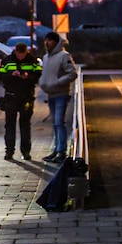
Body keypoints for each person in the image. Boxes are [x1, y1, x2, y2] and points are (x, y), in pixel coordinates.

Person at [37, 32, 78, 163]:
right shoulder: (46, 57)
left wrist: (58, 82)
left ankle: (61, 151)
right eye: (46, 40)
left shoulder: (63, 56)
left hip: (61, 94)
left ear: (56, 42)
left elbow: (72, 73)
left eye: (50, 40)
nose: (47, 43)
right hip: (51, 94)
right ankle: (57, 149)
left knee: (59, 122)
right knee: (55, 123)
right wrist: (43, 82)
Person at [0, 43, 41, 160]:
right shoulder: (7, 61)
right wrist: (11, 75)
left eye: (23, 54)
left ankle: (26, 152)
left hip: (26, 97)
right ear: (15, 51)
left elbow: (38, 75)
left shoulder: (32, 61)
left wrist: (28, 77)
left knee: (25, 125)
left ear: (26, 52)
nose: (21, 56)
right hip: (11, 96)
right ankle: (9, 151)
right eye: (19, 54)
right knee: (9, 125)